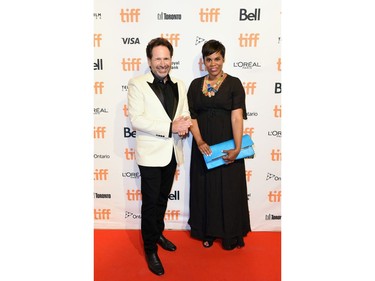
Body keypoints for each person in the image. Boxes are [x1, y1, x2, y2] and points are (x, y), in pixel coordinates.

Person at [127, 37, 192, 276]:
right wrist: (170, 128)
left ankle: (158, 233)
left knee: (162, 199)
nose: (162, 63)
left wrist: (183, 125)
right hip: (151, 155)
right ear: (149, 60)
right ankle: (150, 248)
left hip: (172, 152)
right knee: (151, 203)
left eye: (166, 58)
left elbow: (183, 112)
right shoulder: (136, 84)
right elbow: (137, 119)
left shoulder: (180, 84)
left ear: (171, 59)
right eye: (158, 59)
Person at [187, 39, 251, 250]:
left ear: (223, 59)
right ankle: (207, 232)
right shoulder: (196, 86)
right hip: (204, 148)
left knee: (229, 191)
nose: (213, 63)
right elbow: (192, 117)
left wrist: (237, 148)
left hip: (227, 147)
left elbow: (236, 118)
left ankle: (230, 235)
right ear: (203, 62)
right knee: (205, 190)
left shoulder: (234, 83)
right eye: (208, 59)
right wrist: (199, 141)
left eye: (217, 58)